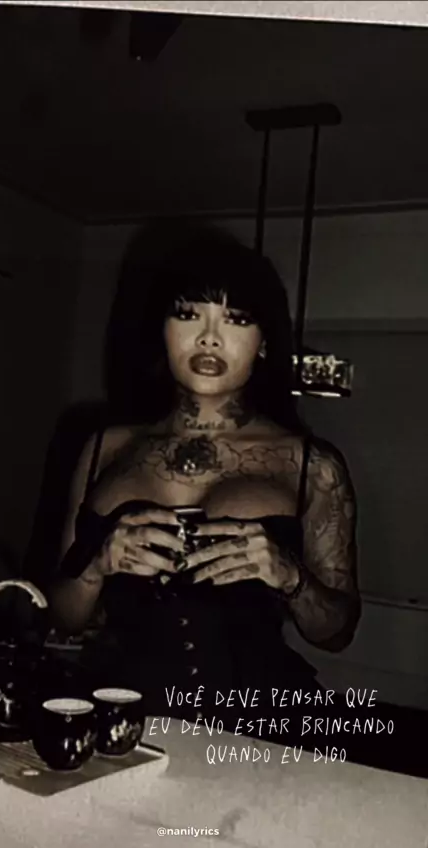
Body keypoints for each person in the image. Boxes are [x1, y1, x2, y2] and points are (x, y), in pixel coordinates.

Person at [49, 228, 361, 733]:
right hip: (126, 718)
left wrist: (290, 576)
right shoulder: (104, 447)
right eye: (188, 314)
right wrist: (97, 567)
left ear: (264, 342)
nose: (210, 337)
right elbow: (64, 617)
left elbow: (338, 632)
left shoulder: (312, 464)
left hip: (260, 725)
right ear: (162, 329)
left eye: (237, 319)